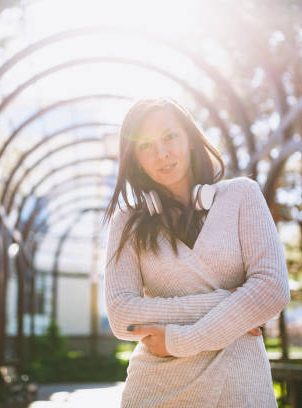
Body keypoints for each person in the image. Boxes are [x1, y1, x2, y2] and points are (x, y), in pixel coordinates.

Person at [102, 96, 290, 407]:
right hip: (157, 392)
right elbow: (123, 316)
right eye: (146, 146)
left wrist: (181, 340)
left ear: (190, 139)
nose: (162, 153)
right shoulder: (127, 223)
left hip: (240, 388)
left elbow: (272, 289)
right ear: (135, 159)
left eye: (170, 136)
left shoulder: (242, 195)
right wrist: (232, 300)